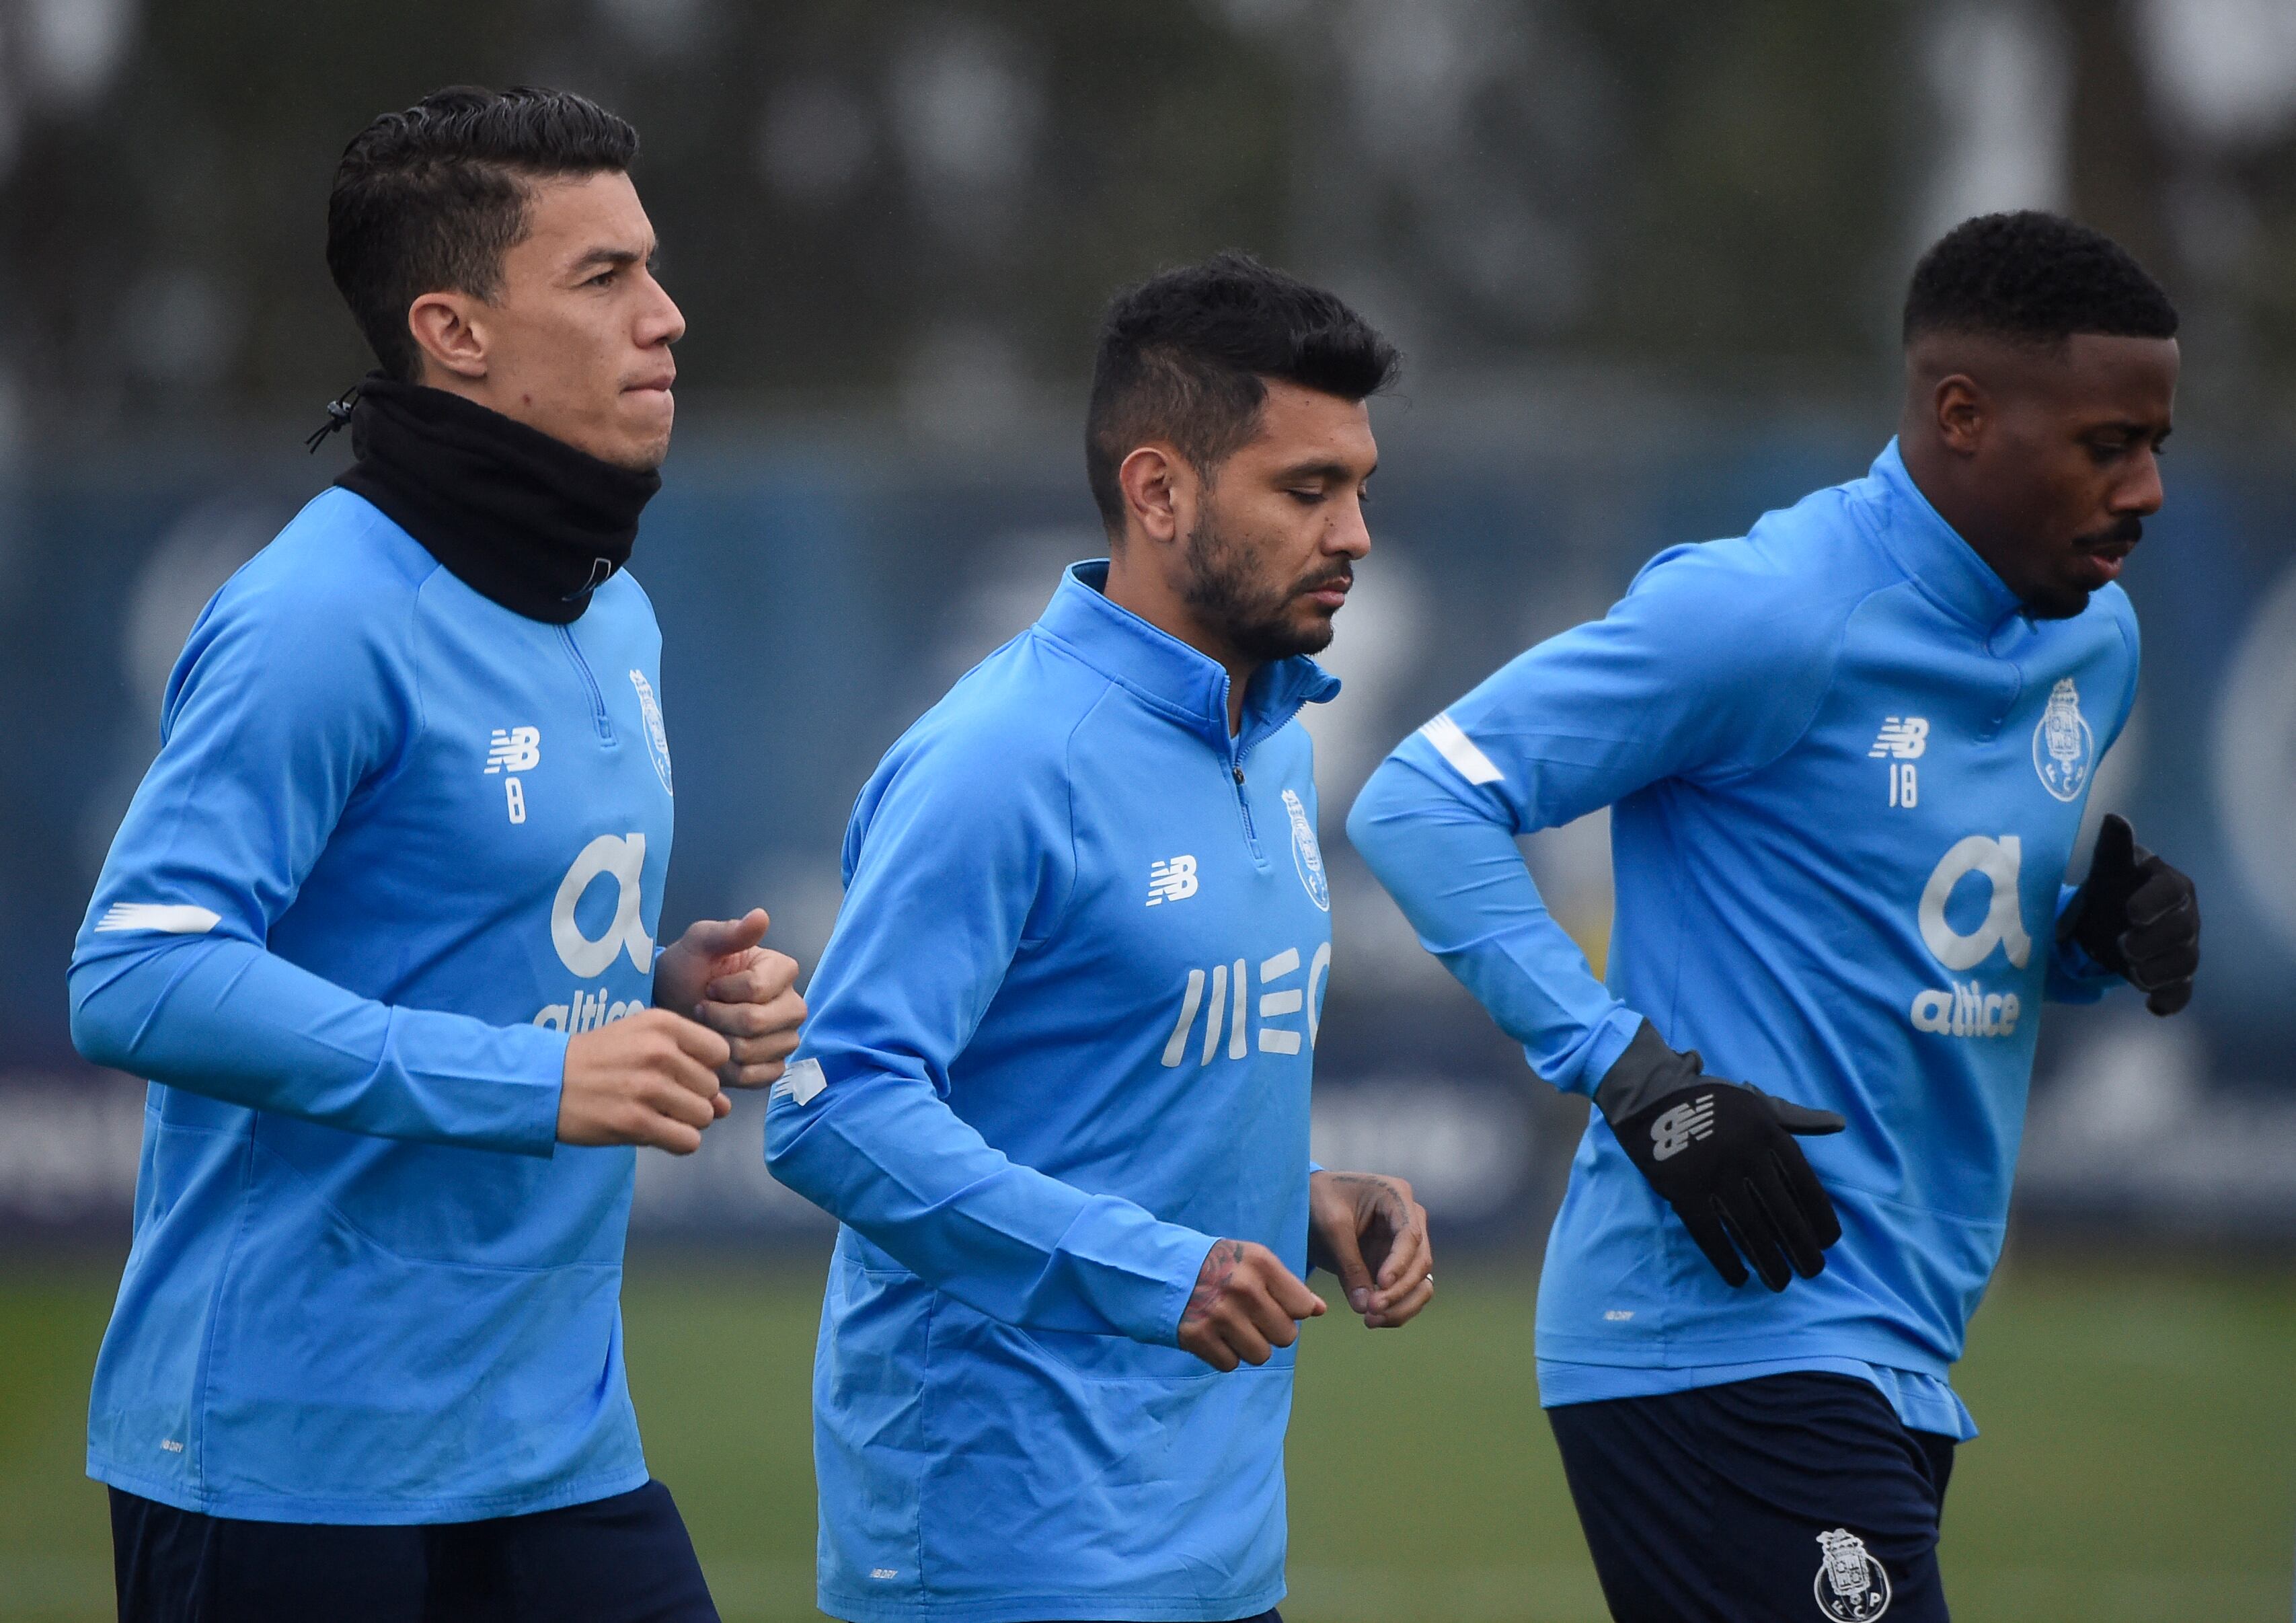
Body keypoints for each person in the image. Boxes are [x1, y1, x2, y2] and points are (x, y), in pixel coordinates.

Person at [1348, 211, 2202, 1623]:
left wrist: (2088, 942)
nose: (2151, 489)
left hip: (1897, 1334)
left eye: (2159, 441)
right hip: (1715, 1333)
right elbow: (1419, 802)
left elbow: (1924, 925)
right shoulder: (1768, 612)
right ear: (1963, 415)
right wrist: (1639, 1082)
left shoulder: (2091, 642)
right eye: (2109, 443)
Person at [71, 86, 806, 1623]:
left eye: (652, 267)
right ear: (454, 332)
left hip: (554, 1443)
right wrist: (539, 1084)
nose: (666, 317)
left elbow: (462, 936)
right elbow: (136, 973)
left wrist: (658, 994)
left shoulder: (610, 604)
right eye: (603, 279)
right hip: (288, 1459)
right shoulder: (318, 613)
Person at [765, 252, 1434, 1623]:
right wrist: (1155, 1265)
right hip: (1001, 1545)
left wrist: (1288, 1200)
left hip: (1218, 1538)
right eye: (1307, 490)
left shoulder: (1278, 744)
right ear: (1159, 491)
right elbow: (831, 1109)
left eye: (1360, 486)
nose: (1355, 531)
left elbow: (1109, 1092)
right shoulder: (1001, 758)